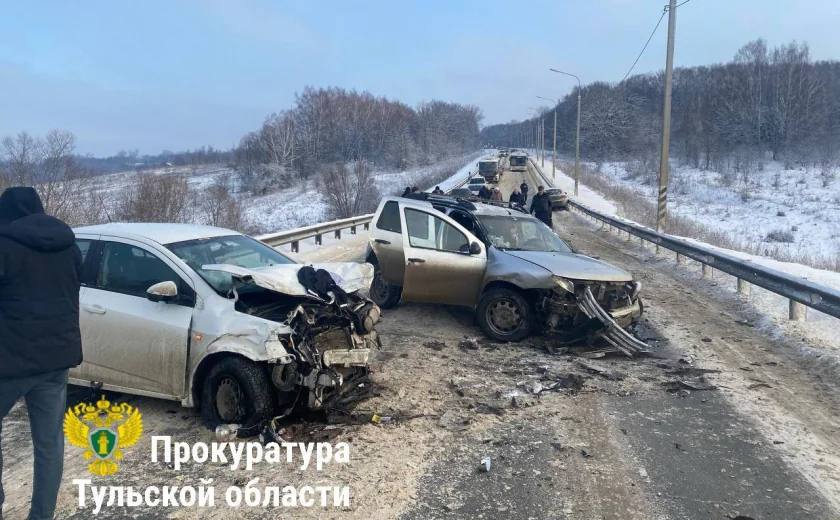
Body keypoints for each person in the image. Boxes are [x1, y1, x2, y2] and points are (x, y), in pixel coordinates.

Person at [0, 187, 83, 520]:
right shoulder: (70, 247)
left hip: (8, 363)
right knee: (49, 444)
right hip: (56, 361)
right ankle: (42, 515)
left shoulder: (3, 247)